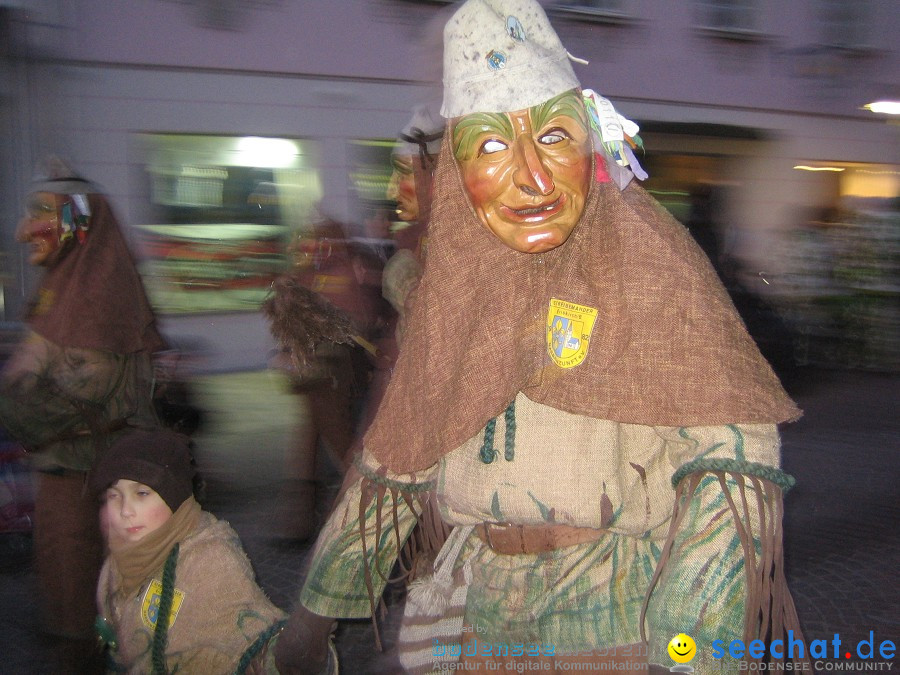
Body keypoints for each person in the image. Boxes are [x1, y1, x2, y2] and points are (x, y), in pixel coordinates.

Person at [274, 1, 807, 673]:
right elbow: (395, 464)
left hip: (615, 614)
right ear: (459, 173)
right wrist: (311, 617)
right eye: (492, 146)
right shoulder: (456, 295)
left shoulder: (652, 270)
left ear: (590, 145)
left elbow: (732, 458)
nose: (529, 177)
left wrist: (690, 644)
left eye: (554, 136)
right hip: (472, 613)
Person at [0, 168, 164, 673]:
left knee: (78, 584)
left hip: (88, 474)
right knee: (65, 577)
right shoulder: (65, 285)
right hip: (66, 471)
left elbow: (64, 399)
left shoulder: (98, 299)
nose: (24, 230)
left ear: (77, 223)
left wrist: (14, 393)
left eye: (41, 214)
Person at [92, 428, 288, 673]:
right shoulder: (118, 559)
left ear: (175, 499)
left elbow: (257, 646)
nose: (125, 511)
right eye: (114, 495)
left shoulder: (210, 560)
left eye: (142, 493)